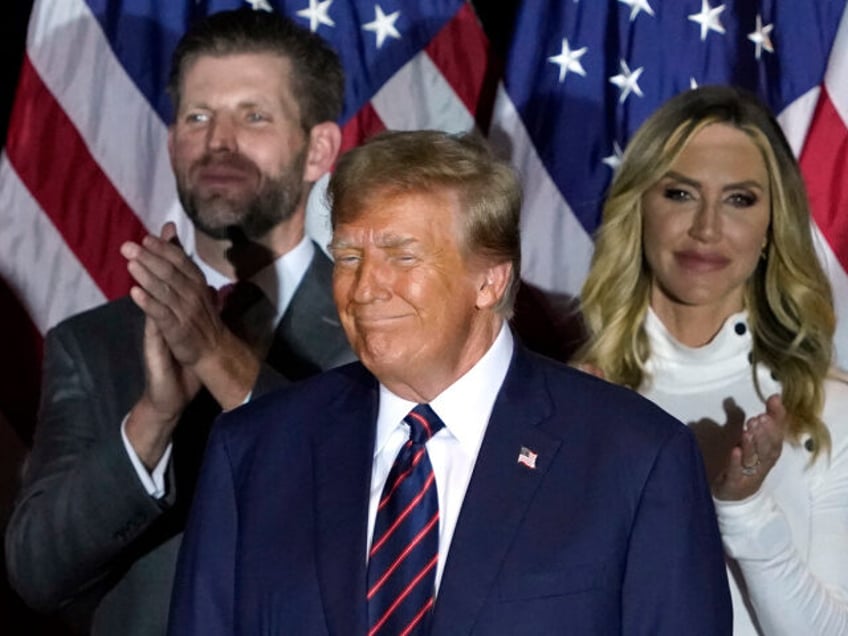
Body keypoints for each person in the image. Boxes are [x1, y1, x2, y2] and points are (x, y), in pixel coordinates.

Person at [167, 129, 731, 635]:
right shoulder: (255, 451)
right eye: (348, 257)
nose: (363, 289)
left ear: (488, 281)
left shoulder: (635, 459)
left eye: (401, 256)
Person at [4, 9, 354, 635]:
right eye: (198, 117)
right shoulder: (93, 343)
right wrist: (151, 421)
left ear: (318, 149)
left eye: (254, 116)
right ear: (171, 142)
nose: (219, 141)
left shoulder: (381, 322)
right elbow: (36, 571)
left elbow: (371, 512)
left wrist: (215, 355)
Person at [577, 85, 848, 635]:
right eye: (680, 193)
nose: (706, 227)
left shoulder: (827, 411)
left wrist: (744, 508)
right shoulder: (569, 401)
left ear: (773, 227)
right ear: (639, 209)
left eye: (740, 199)